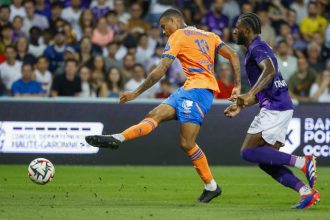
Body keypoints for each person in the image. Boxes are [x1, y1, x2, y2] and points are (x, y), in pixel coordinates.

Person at [85, 9, 241, 203]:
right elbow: (233, 54)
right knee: (154, 114)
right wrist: (238, 85)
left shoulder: (178, 35)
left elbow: (160, 70)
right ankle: (118, 138)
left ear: (174, 21)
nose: (164, 32)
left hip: (199, 92)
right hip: (188, 89)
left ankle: (212, 186)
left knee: (187, 143)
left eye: (163, 26)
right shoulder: (209, 35)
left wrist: (136, 92)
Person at [224, 13, 320, 209]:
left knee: (249, 152)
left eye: (238, 27)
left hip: (275, 108)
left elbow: (269, 72)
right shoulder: (259, 47)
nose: (234, 31)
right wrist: (241, 104)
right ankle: (305, 192)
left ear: (248, 30)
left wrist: (249, 92)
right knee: (266, 160)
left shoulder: (257, 48)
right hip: (281, 105)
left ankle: (303, 161)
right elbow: (264, 87)